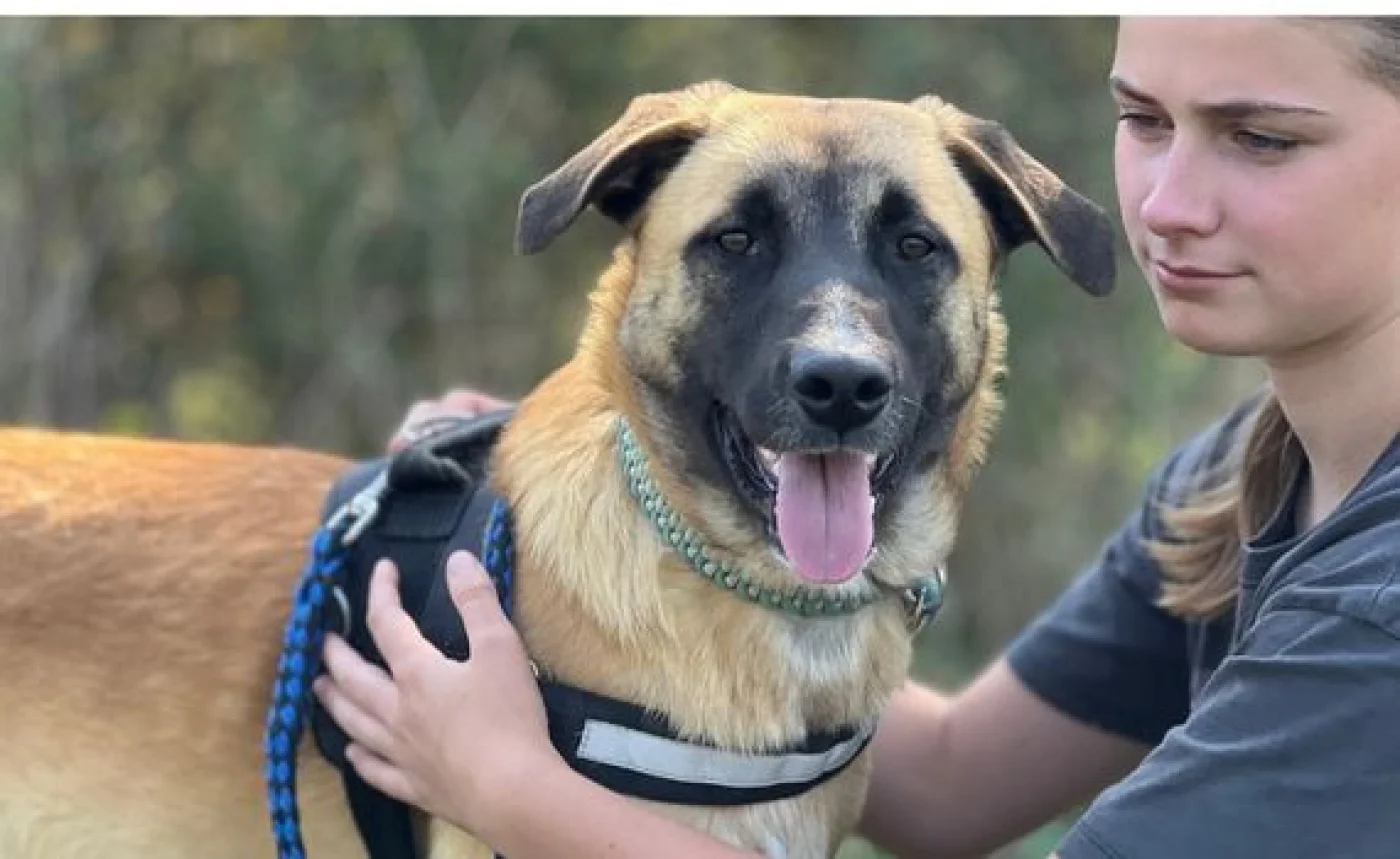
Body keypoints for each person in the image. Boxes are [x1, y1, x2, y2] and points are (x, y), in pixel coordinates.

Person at [311, 16, 1400, 859]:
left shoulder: (1378, 601)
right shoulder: (1241, 478)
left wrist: (508, 789)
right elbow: (954, 784)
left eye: (1262, 138)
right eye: (1144, 120)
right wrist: (570, 498)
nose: (1164, 205)